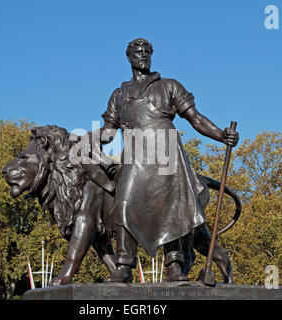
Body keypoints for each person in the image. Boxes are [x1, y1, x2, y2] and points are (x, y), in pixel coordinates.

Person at [97, 38, 239, 283]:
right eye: (137, 52)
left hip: (166, 153)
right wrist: (85, 142)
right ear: (128, 57)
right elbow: (108, 131)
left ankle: (174, 265)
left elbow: (195, 119)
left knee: (170, 209)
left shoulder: (169, 86)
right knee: (122, 204)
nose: (143, 56)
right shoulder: (119, 95)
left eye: (147, 52)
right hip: (135, 156)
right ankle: (124, 266)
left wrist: (220, 134)